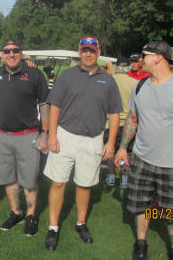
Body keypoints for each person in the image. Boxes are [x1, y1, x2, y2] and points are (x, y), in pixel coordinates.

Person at [114, 41, 173, 260]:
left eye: (144, 56)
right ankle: (141, 243)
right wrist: (123, 149)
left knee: (172, 211)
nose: (140, 60)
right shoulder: (140, 86)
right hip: (142, 159)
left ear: (159, 58)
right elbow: (132, 121)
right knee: (140, 206)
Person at [43, 37, 123, 250]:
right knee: (58, 182)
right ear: (79, 51)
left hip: (93, 139)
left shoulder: (107, 80)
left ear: (98, 52)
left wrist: (111, 142)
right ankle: (53, 227)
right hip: (65, 135)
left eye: (92, 51)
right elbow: (55, 107)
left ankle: (80, 223)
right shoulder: (66, 76)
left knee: (84, 184)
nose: (88, 54)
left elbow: (115, 113)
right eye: (84, 50)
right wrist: (52, 135)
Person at [0, 38, 49, 237]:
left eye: (15, 50)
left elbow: (44, 104)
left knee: (29, 179)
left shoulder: (34, 75)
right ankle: (16, 212)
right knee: (8, 178)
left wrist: (45, 131)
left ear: (21, 53)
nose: (11, 54)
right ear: (2, 55)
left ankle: (31, 216)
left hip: (28, 135)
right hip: (1, 135)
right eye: (7, 51)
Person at [104, 56, 136, 188]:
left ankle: (111, 176)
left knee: (110, 150)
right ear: (129, 67)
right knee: (126, 152)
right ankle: (124, 178)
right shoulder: (135, 83)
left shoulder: (108, 81)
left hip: (109, 122)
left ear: (116, 66)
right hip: (128, 124)